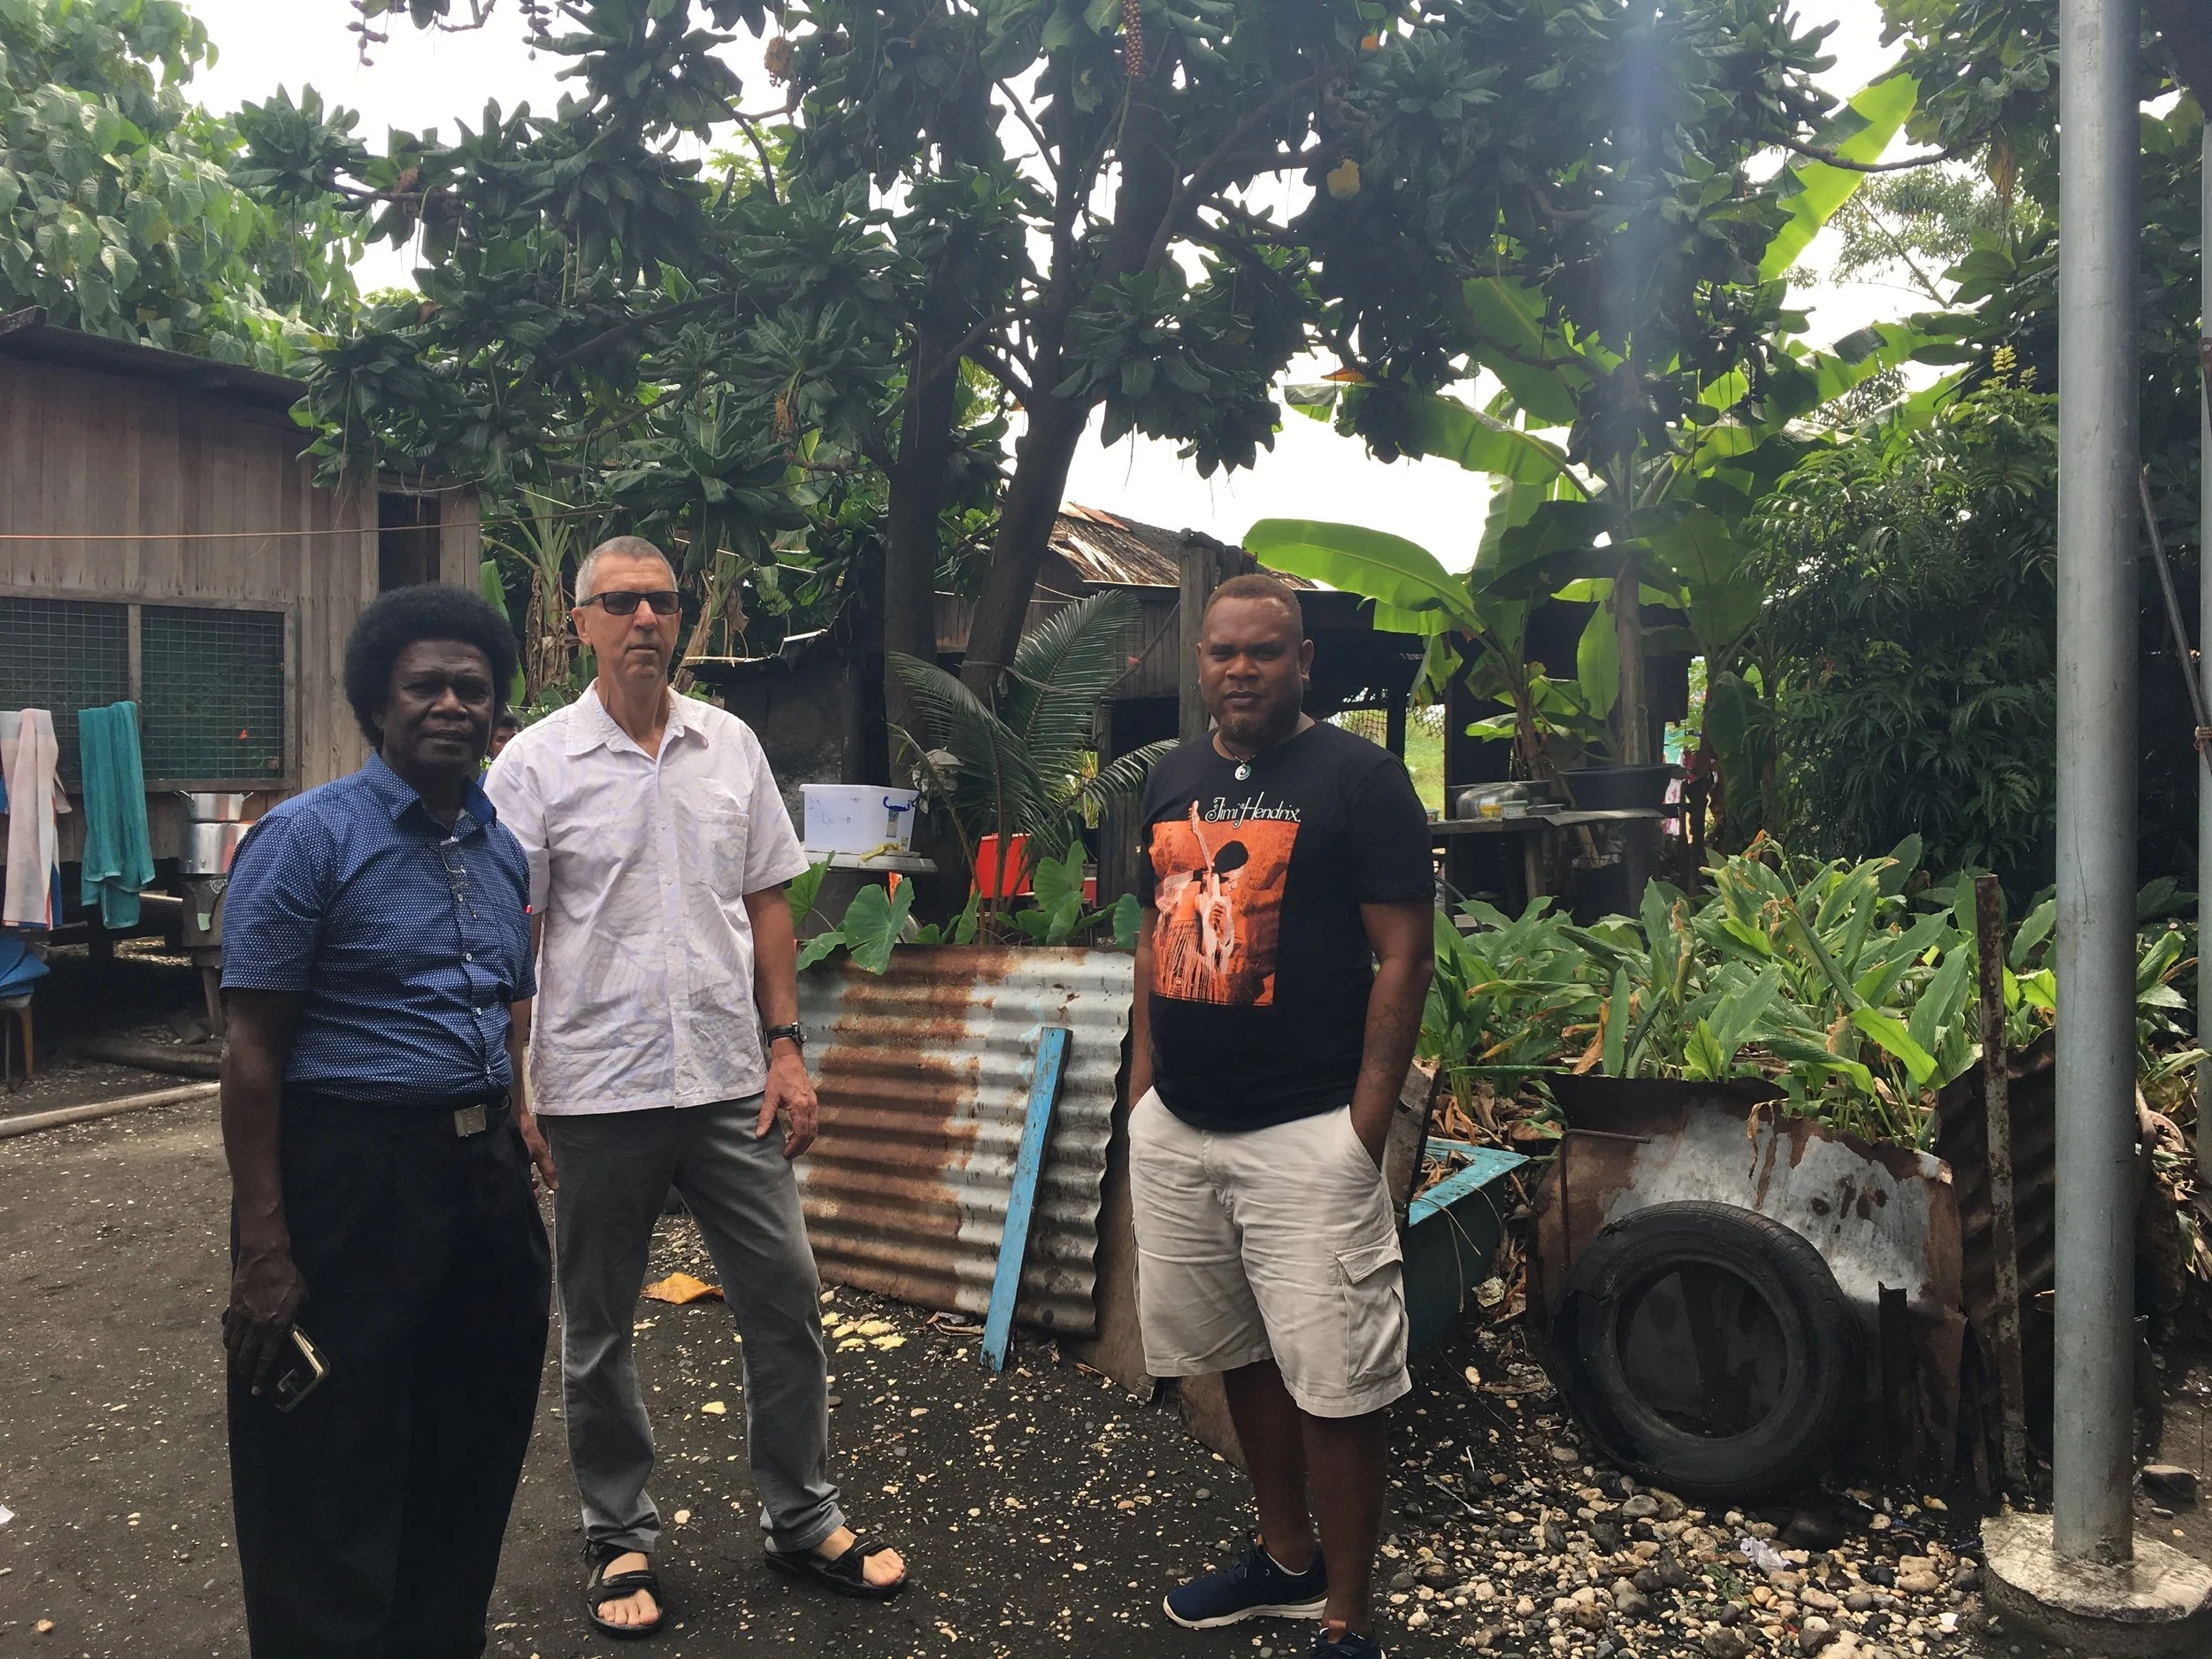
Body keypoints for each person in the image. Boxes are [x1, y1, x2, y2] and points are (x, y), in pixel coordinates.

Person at [484, 534, 907, 1640]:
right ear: (578, 622)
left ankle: (801, 1515)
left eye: (661, 602)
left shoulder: (732, 747)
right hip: (596, 1085)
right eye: (619, 602)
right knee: (600, 1327)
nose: (643, 620)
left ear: (682, 620)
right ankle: (619, 1534)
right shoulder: (532, 766)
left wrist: (786, 1046)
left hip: (729, 1079)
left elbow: (771, 901)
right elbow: (507, 930)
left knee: (785, 1299)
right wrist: (520, 1081)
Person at [219, 584, 553, 1659]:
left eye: (472, 688)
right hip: (349, 1182)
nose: (451, 704)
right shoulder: (307, 840)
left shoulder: (502, 852)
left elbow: (503, 1011)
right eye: (426, 686)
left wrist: (515, 1120)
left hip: (480, 1181)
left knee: (469, 1444)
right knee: (326, 1463)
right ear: (379, 701)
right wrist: (265, 1244)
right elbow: (253, 1051)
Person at [1129, 572, 1434, 1659]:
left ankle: (1347, 1614)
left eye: (1264, 652)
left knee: (1339, 1379)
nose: (1240, 670)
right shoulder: (1173, 777)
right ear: (1199, 663)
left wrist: (1362, 1121)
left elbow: (1404, 952)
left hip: (1307, 1130)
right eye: (1222, 653)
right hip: (1185, 1127)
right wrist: (1142, 1093)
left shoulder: (1359, 778)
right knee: (1238, 1351)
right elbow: (1155, 932)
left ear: (1303, 662)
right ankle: (1286, 1561)